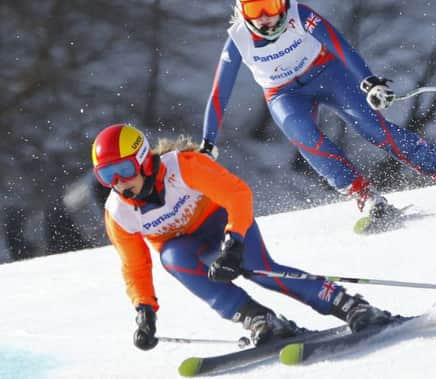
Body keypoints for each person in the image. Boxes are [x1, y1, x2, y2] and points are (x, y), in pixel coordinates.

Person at [199, 0, 436, 231]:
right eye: (255, 10)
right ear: (242, 11)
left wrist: (367, 81)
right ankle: (364, 195)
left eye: (270, 5)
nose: (265, 18)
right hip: (283, 93)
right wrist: (208, 142)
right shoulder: (238, 39)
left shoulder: (299, 15)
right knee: (302, 134)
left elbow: (338, 44)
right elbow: (218, 92)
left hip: (326, 72)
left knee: (371, 127)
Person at [91, 123, 397, 350]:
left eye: (122, 170)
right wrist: (144, 310)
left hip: (224, 223)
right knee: (172, 257)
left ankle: (349, 305)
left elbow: (237, 195)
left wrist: (234, 242)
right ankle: (259, 319)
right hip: (189, 246)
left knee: (258, 269)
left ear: (144, 159)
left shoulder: (183, 168)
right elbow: (135, 265)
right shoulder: (119, 212)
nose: (118, 183)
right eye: (107, 176)